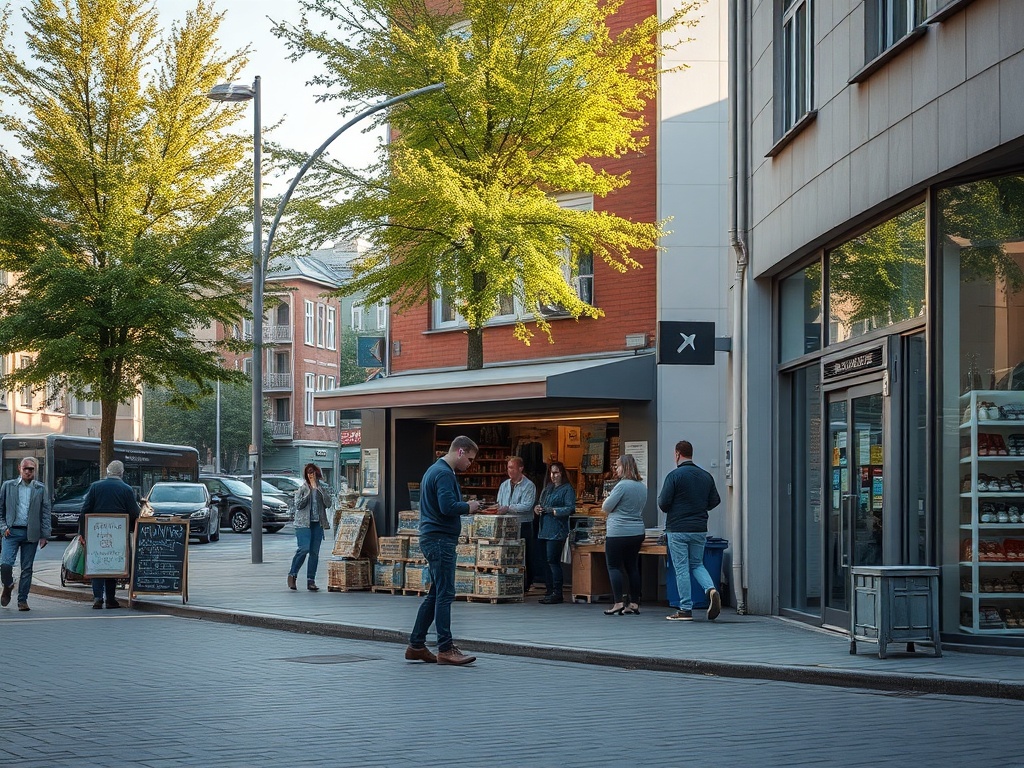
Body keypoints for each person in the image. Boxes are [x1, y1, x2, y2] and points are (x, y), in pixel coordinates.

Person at [406, 436, 482, 666]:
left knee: (436, 593)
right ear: (460, 452)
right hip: (440, 539)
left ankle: (417, 644)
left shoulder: (434, 470)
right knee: (446, 594)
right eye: (469, 459)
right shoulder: (444, 474)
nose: (469, 464)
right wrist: (469, 506)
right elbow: (447, 507)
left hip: (432, 537)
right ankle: (446, 648)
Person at [658, 440, 722, 621]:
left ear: (677, 453)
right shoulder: (705, 476)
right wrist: (699, 509)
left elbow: (663, 503)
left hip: (678, 528)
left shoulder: (674, 476)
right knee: (697, 564)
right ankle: (711, 589)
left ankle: (685, 609)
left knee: (681, 568)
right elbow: (715, 500)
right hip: (699, 528)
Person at [78, 460, 141, 610]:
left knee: (97, 563)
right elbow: (134, 512)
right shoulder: (126, 489)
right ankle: (111, 599)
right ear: (122, 473)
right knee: (113, 563)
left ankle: (98, 597)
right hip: (118, 531)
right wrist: (133, 527)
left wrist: (82, 532)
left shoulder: (95, 487)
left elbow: (84, 510)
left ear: (107, 472)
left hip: (96, 531)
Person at [1, 457, 51, 611]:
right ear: (19, 469)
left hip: (31, 533)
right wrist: (3, 527)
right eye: (26, 469)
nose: (28, 471)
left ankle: (22, 600)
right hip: (12, 531)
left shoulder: (40, 489)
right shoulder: (8, 486)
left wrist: (45, 534)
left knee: (27, 568)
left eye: (32, 469)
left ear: (35, 470)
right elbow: (0, 509)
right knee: (5, 564)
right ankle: (8, 585)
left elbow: (45, 512)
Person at [601, 454, 647, 616]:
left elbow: (606, 507)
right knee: (632, 567)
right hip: (637, 531)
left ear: (625, 467)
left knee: (614, 566)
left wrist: (607, 499)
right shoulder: (642, 486)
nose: (616, 469)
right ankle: (634, 603)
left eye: (618, 466)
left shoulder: (621, 486)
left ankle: (618, 602)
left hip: (618, 531)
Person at [534, 460, 576, 604]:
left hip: (557, 529)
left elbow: (570, 508)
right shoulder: (548, 488)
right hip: (544, 528)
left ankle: (557, 592)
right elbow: (541, 503)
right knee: (544, 561)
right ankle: (549, 589)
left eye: (556, 472)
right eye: (552, 472)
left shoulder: (567, 489)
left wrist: (553, 510)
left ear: (562, 473)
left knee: (553, 560)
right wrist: (537, 509)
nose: (554, 475)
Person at [493, 456, 537, 589]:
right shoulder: (504, 485)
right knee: (508, 553)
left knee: (525, 553)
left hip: (523, 524)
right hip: (506, 524)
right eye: (508, 467)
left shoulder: (529, 485)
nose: (510, 470)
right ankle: (509, 581)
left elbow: (527, 506)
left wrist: (508, 508)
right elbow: (499, 502)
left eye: (512, 467)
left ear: (520, 468)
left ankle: (526, 583)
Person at [289, 463, 332, 592]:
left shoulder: (322, 488)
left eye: (312, 472)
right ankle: (292, 574)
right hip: (303, 524)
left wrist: (317, 489)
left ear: (317, 474)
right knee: (304, 549)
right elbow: (298, 505)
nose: (310, 475)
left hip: (317, 523)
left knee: (314, 553)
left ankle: (311, 580)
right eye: (308, 473)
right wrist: (309, 492)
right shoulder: (302, 489)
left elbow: (328, 503)